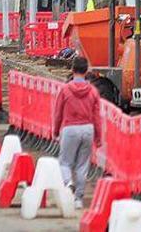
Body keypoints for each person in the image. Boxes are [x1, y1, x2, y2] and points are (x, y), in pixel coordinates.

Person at [53, 56, 101, 208]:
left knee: (65, 162)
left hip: (70, 129)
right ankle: (79, 199)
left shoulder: (65, 90)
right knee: (82, 165)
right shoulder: (93, 92)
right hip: (88, 129)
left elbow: (58, 113)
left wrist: (55, 131)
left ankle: (68, 183)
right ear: (86, 71)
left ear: (72, 70)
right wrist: (98, 138)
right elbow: (97, 117)